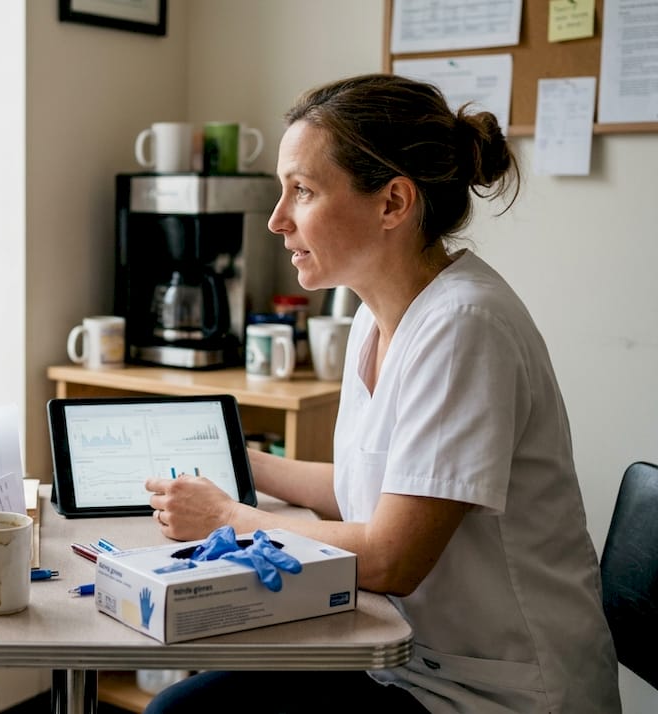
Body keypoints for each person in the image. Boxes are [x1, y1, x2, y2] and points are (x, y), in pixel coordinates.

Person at [142, 74, 620, 713]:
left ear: (393, 202)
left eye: (303, 191)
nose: (278, 220)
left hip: (491, 693)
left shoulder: (464, 327)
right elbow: (371, 485)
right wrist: (243, 469)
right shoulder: (376, 314)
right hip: (402, 659)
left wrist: (228, 517)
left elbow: (393, 556)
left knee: (184, 713)